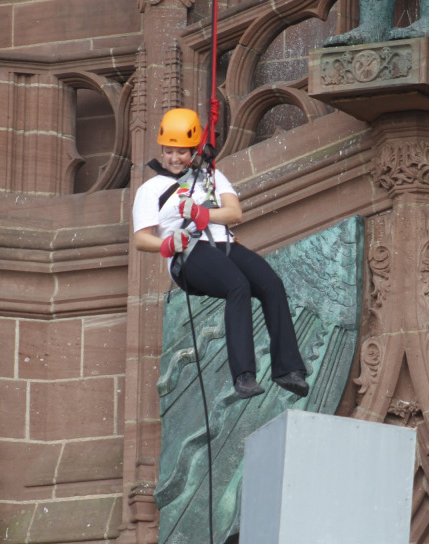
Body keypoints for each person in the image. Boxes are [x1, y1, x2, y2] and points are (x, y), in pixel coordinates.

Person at [132, 108, 309, 399]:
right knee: (236, 285)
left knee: (271, 284)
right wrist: (167, 244)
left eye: (181, 152)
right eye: (169, 151)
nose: (174, 158)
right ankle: (244, 376)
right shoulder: (151, 189)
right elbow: (141, 239)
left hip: (224, 244)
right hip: (188, 253)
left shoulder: (210, 176)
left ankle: (288, 369)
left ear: (194, 149)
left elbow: (234, 213)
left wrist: (202, 212)